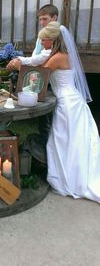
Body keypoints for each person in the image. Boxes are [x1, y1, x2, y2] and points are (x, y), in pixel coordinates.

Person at [38, 21, 100, 202]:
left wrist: (18, 65)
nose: (42, 43)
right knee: (74, 141)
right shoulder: (64, 55)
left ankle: (70, 179)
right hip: (74, 101)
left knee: (63, 141)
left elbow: (38, 74)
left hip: (66, 104)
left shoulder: (57, 58)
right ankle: (75, 173)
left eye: (44, 40)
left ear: (52, 40)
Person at [7, 4, 59, 164]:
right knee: (45, 119)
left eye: (45, 19)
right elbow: (37, 54)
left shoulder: (57, 35)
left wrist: (20, 62)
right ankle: (45, 152)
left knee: (51, 122)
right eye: (40, 19)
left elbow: (41, 58)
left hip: (50, 80)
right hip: (43, 77)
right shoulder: (44, 36)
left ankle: (47, 155)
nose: (42, 22)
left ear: (54, 18)